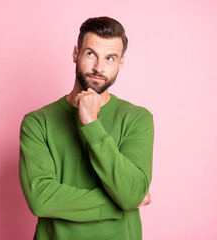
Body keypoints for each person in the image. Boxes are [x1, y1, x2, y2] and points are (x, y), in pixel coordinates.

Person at [19, 16, 154, 240]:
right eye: (91, 53)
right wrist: (118, 204)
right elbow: (40, 199)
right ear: (76, 53)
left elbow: (131, 192)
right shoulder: (37, 122)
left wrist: (92, 123)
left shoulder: (137, 119)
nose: (99, 68)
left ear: (120, 63)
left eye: (110, 58)